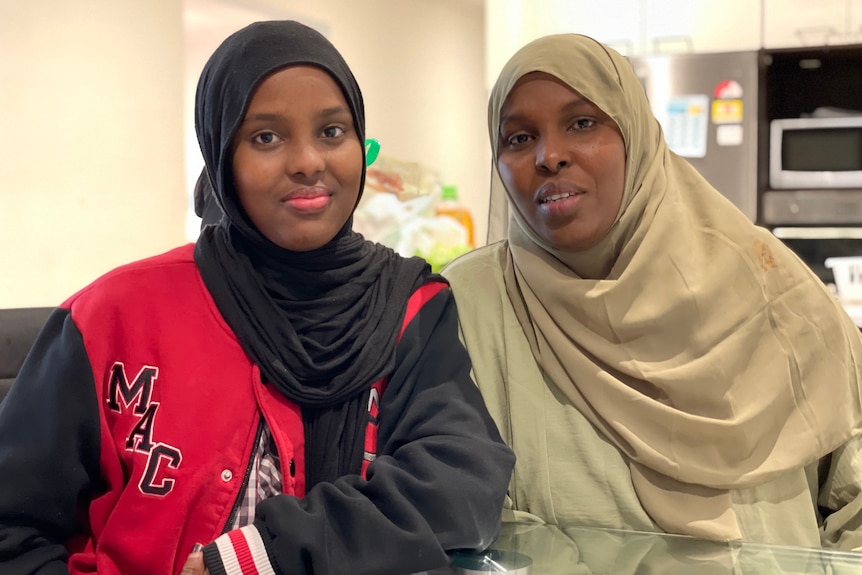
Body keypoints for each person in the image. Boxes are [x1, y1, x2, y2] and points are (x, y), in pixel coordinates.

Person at [0, 20, 514, 575]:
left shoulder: (407, 308)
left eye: (332, 132)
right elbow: (13, 526)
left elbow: (460, 482)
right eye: (266, 137)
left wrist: (258, 555)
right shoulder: (112, 318)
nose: (308, 162)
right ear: (223, 159)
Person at [442, 32, 862, 550]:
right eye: (519, 138)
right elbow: (473, 516)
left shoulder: (766, 279)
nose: (550, 156)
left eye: (582, 123)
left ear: (635, 134)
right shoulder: (469, 308)